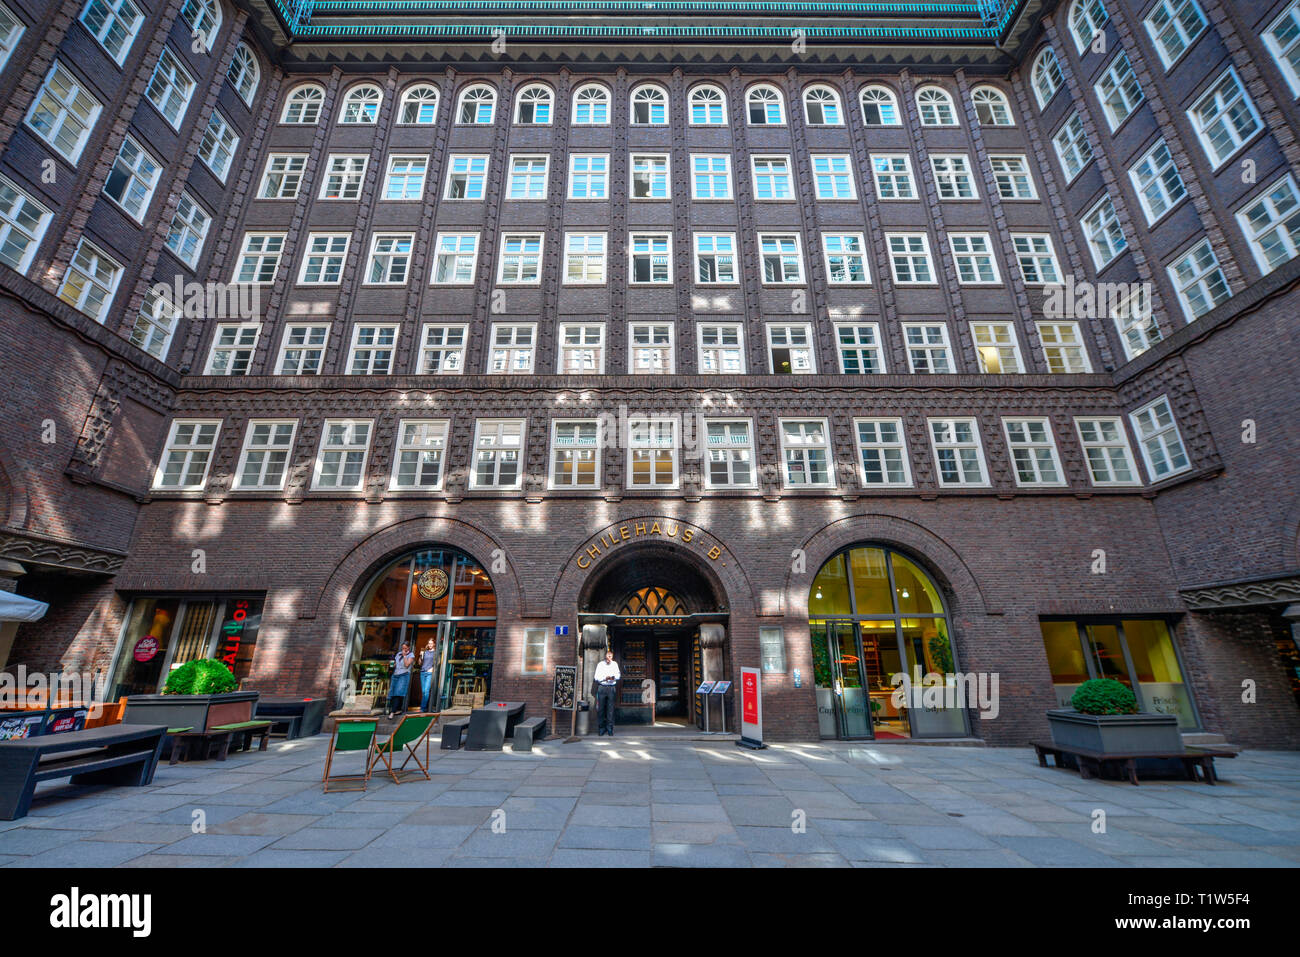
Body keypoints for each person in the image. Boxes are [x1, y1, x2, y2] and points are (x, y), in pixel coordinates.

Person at [593, 648, 621, 736]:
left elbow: (618, 675)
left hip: (611, 687)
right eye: (608, 656)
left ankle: (610, 728)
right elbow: (596, 677)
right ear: (605, 656)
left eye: (611, 656)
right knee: (601, 709)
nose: (609, 658)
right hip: (602, 687)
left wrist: (613, 677)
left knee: (610, 709)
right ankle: (601, 728)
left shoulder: (615, 664)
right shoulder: (600, 665)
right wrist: (605, 678)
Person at [387, 641, 415, 719]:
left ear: (408, 648)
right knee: (392, 692)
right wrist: (392, 664)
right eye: (403, 648)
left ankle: (392, 712)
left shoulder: (411, 655)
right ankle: (396, 710)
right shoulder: (398, 654)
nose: (404, 649)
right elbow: (396, 665)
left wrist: (405, 656)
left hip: (404, 675)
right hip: (395, 675)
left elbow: (406, 665)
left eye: (405, 648)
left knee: (398, 692)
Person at [419, 636, 438, 713]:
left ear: (434, 644)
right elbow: (420, 663)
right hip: (423, 672)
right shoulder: (425, 652)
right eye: (429, 643)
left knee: (426, 691)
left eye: (431, 643)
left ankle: (423, 708)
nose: (430, 645)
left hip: (429, 673)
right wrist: (420, 656)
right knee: (423, 691)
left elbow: (438, 662)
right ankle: (426, 707)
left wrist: (433, 668)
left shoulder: (435, 653)